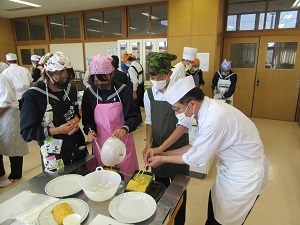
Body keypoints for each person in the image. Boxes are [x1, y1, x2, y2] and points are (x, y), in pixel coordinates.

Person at [146, 75, 269, 225]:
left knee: (223, 221)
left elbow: (196, 157)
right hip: (229, 169)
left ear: (192, 104)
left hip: (243, 175)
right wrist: (163, 152)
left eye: (177, 109)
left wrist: (162, 159)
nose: (176, 113)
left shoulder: (215, 118)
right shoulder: (206, 109)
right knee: (214, 209)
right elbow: (194, 145)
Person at [142, 52, 190, 225]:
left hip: (178, 146)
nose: (156, 80)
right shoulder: (149, 94)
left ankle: (179, 222)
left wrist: (162, 148)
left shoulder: (181, 92)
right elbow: (149, 120)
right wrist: (149, 144)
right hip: (157, 146)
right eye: (152, 76)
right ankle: (163, 220)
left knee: (179, 189)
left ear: (170, 74)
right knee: (160, 187)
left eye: (160, 76)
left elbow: (183, 126)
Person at [20, 51, 87, 173]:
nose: (64, 81)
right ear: (48, 73)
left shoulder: (70, 89)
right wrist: (57, 130)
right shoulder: (33, 96)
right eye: (60, 78)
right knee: (59, 184)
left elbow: (76, 112)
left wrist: (76, 120)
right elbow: (27, 132)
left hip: (75, 143)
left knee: (81, 176)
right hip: (53, 150)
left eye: (67, 77)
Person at [81, 54, 139, 175]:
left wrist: (125, 128)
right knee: (105, 176)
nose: (100, 84)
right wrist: (90, 131)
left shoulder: (123, 91)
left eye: (104, 80)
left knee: (125, 175)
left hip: (122, 142)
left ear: (112, 74)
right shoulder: (89, 93)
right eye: (96, 81)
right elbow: (87, 119)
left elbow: (134, 116)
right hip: (101, 143)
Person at [0, 73, 29, 187]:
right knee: (1, 144)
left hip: (9, 113)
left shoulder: (2, 79)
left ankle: (15, 175)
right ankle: (1, 172)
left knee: (13, 145)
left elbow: (6, 100)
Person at [123, 53, 144, 124]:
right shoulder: (138, 64)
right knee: (137, 106)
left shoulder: (131, 68)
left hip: (136, 89)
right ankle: (139, 120)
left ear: (128, 60)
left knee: (134, 106)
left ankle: (137, 122)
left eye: (125, 61)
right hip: (140, 87)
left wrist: (134, 93)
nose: (125, 63)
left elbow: (135, 81)